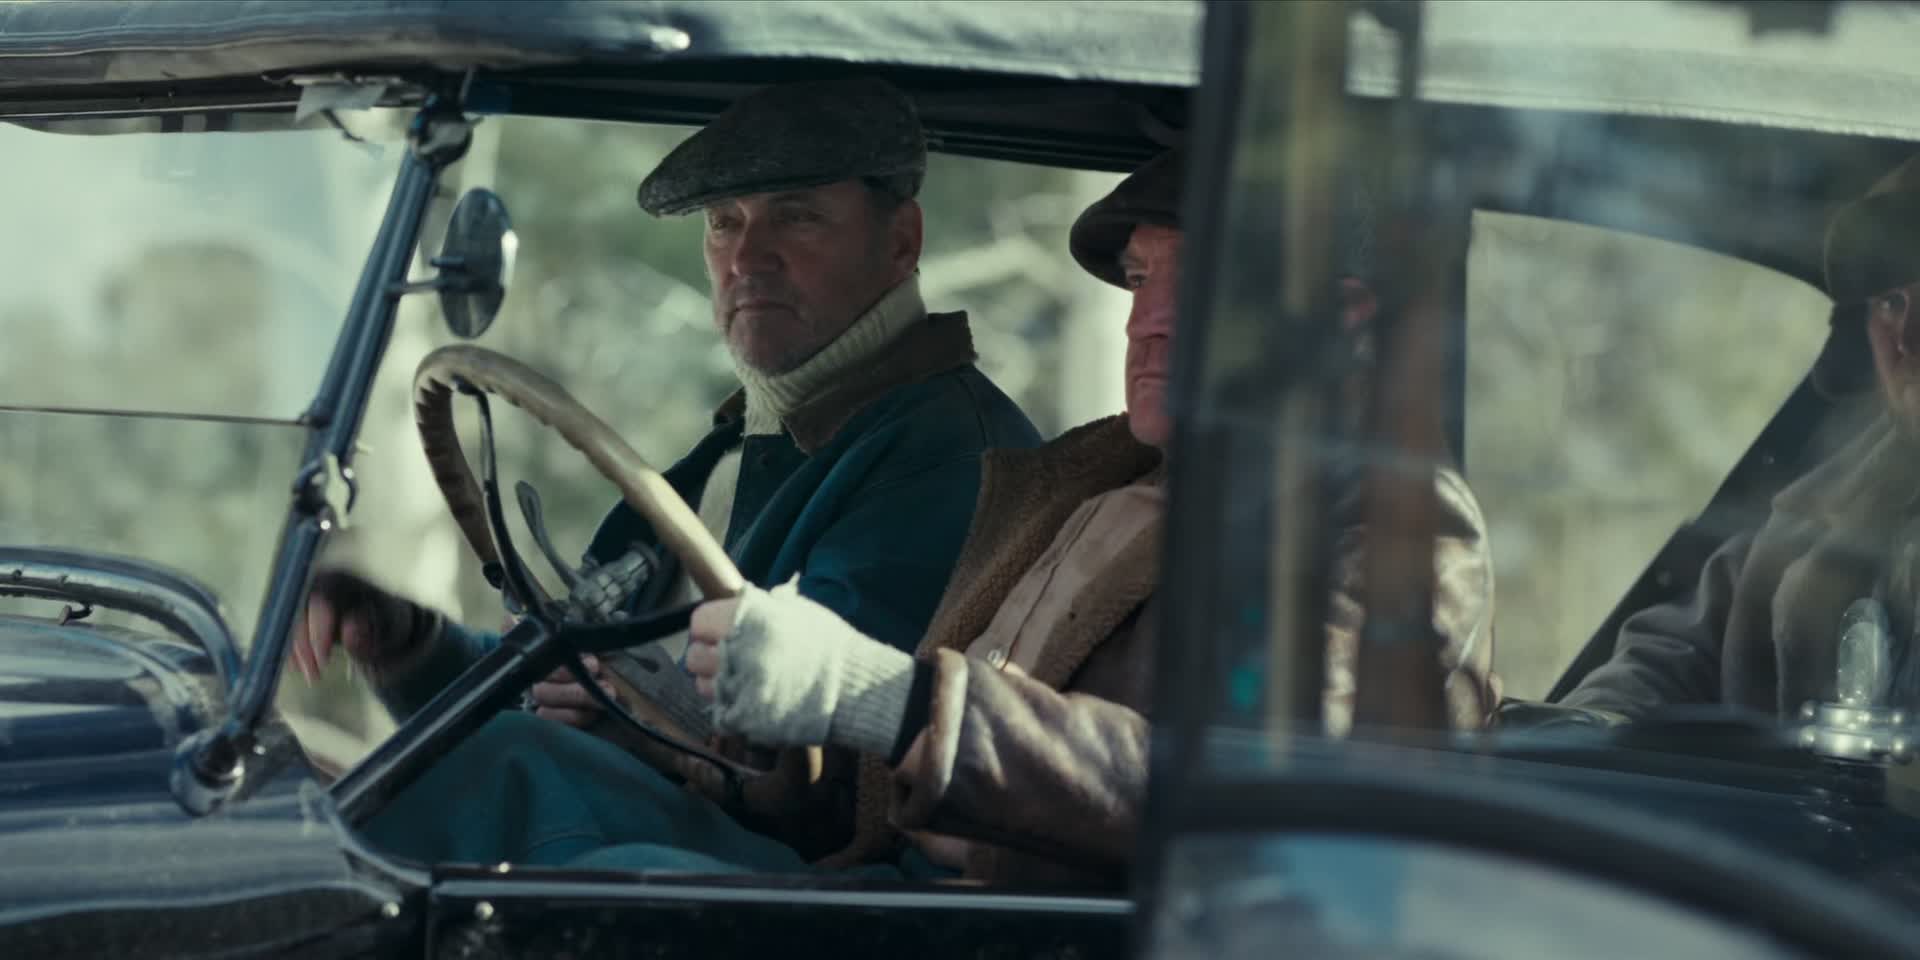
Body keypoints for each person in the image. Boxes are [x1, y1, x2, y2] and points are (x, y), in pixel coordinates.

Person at [672, 146, 1498, 888]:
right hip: (896, 892)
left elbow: (1267, 798)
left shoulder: (1401, 532)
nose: (1149, 322)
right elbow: (879, 794)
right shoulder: (1083, 486)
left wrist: (887, 698)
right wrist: (745, 733)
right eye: (1139, 280)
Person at [300, 77, 1041, 863]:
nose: (747, 257)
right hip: (664, 842)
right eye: (724, 222)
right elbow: (575, 673)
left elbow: (819, 759)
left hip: (808, 885)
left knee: (489, 777)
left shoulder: (951, 454)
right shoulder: (742, 445)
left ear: (901, 242)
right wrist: (412, 647)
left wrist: (623, 714)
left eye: (797, 216)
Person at [1563, 155, 1920, 719]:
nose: (1909, 338)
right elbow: (1670, 663)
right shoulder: (1817, 522)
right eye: (1891, 302)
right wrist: (1585, 736)